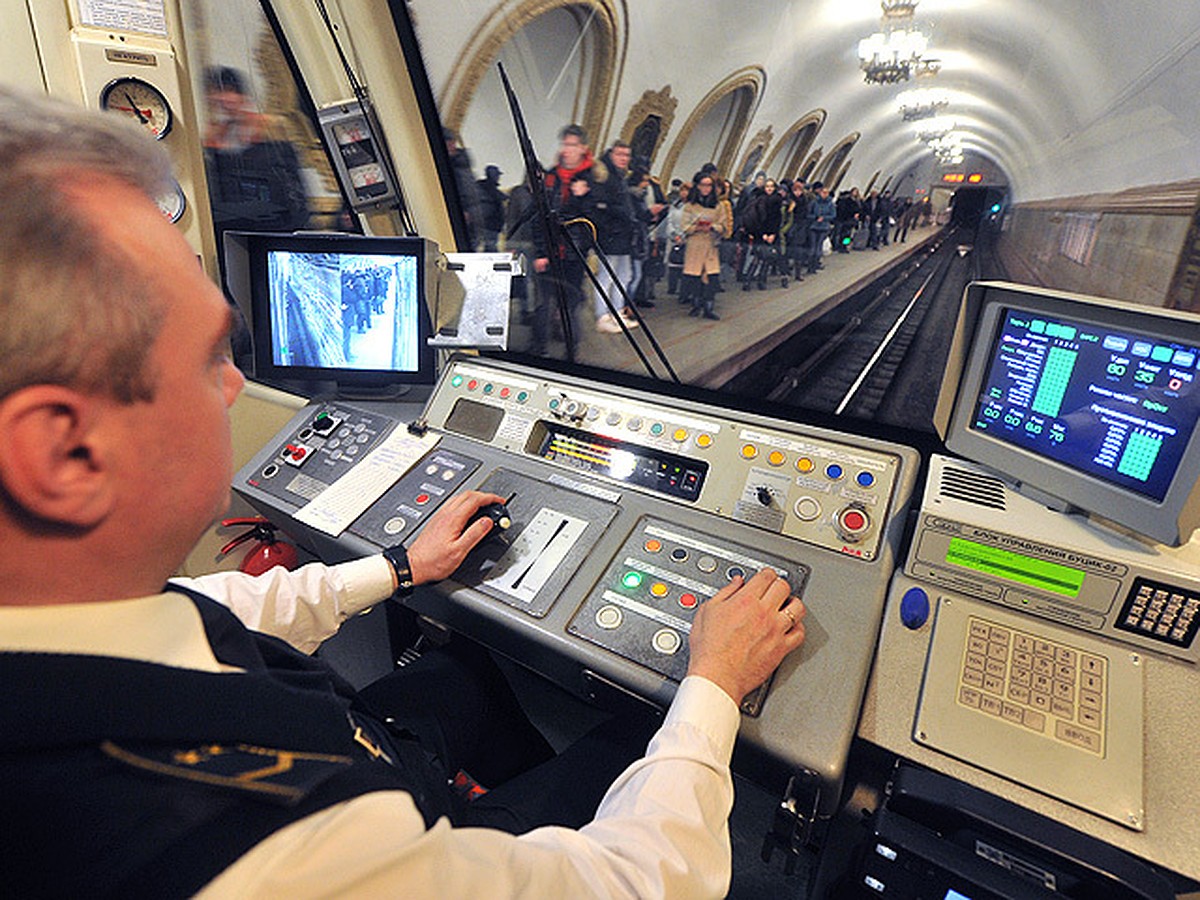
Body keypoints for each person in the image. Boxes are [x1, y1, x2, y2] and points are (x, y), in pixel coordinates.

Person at [0, 87, 807, 897]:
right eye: (209, 357)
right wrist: (713, 684)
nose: (237, 385)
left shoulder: (66, 615)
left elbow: (213, 609)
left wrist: (399, 568)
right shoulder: (272, 852)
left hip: (346, 738)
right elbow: (635, 883)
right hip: (392, 820)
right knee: (639, 731)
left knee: (470, 674)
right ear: (65, 451)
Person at [202, 66, 309, 241]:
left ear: (241, 95)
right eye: (217, 93)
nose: (223, 99)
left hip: (276, 227)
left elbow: (294, 189)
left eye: (229, 92)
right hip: (232, 230)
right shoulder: (216, 137)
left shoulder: (271, 128)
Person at [681, 172, 732, 320]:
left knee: (711, 277)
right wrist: (696, 227)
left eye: (709, 185)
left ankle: (709, 307)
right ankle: (696, 304)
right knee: (695, 277)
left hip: (711, 245)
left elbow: (724, 226)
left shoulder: (719, 206)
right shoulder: (690, 206)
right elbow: (684, 226)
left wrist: (713, 227)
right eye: (703, 185)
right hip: (695, 245)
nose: (706, 188)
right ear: (697, 186)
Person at [475, 164, 506, 252]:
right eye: (497, 175)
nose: (498, 178)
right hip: (490, 226)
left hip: (491, 226)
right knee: (490, 249)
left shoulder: (483, 188)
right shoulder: (490, 191)